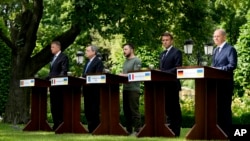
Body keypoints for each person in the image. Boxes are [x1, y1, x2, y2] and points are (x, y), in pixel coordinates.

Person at [212, 29, 237, 138]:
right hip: (215, 85)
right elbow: (213, 67)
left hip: (225, 85)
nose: (215, 38)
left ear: (224, 37)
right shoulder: (215, 50)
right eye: (214, 36)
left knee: (225, 109)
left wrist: (218, 69)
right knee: (216, 109)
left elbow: (232, 65)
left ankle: (227, 133)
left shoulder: (230, 49)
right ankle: (218, 132)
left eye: (217, 36)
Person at [159, 32, 182, 136]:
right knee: (167, 108)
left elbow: (177, 67)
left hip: (172, 85)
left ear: (171, 41)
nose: (164, 42)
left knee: (174, 108)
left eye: (166, 40)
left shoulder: (177, 52)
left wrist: (164, 72)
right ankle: (169, 129)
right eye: (163, 40)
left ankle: (176, 131)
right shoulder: (162, 54)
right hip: (163, 85)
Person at [119, 43, 142, 134]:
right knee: (126, 111)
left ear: (131, 50)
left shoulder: (137, 60)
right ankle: (128, 130)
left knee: (134, 110)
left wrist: (122, 75)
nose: (124, 51)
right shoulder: (125, 61)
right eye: (123, 49)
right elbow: (125, 74)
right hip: (126, 89)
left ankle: (138, 130)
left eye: (126, 49)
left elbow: (136, 75)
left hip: (134, 89)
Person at [82, 45, 104, 133]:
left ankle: (95, 128)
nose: (85, 52)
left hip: (94, 90)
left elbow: (98, 76)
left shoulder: (98, 62)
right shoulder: (87, 62)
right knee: (87, 110)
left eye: (87, 50)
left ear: (93, 52)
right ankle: (90, 128)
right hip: (86, 90)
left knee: (94, 110)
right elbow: (84, 75)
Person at [48, 41, 69, 130]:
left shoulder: (63, 57)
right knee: (53, 105)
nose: (51, 49)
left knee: (59, 105)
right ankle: (55, 123)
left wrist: (57, 79)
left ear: (58, 48)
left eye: (52, 47)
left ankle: (60, 123)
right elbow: (51, 72)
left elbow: (64, 71)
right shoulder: (53, 58)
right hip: (52, 85)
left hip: (59, 86)